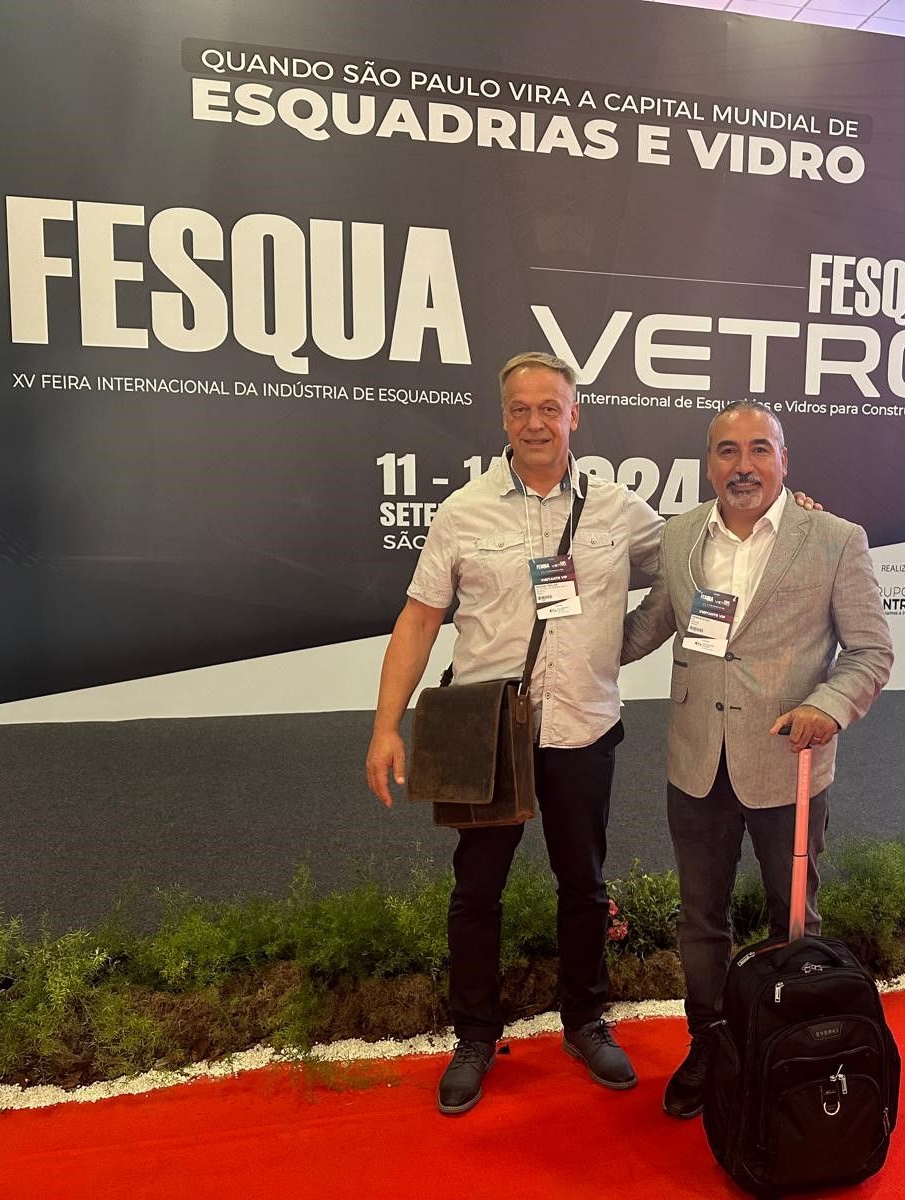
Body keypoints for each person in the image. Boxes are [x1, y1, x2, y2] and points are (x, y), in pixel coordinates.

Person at [364, 351, 666, 1114]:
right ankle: (474, 1035)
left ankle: (586, 1021)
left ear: (575, 414)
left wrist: (623, 645)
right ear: (503, 418)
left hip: (583, 726)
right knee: (477, 892)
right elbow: (419, 620)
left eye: (550, 407)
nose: (536, 423)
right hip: (489, 733)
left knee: (584, 885)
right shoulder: (463, 511)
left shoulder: (617, 508)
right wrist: (386, 726)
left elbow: (693, 565)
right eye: (521, 409)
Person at [620, 400, 893, 1122]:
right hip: (695, 763)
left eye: (758, 450)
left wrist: (827, 707)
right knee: (700, 919)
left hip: (787, 762)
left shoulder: (834, 538)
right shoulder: (681, 535)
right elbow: (648, 626)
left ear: (783, 459)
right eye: (727, 451)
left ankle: (792, 1045)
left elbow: (870, 652)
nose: (743, 466)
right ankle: (709, 1043)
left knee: (792, 918)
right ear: (709, 463)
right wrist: (570, 643)